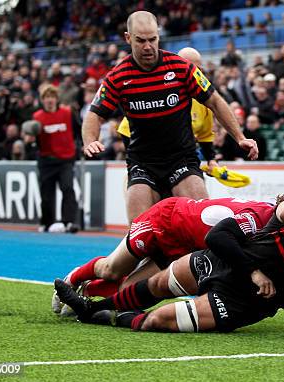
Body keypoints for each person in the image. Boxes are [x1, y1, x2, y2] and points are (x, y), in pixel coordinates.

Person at [55, 166, 284, 336]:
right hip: (229, 262)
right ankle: (94, 304)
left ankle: (97, 317)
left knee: (160, 321)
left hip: (247, 301)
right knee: (156, 284)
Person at [82, 11, 258, 224]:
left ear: (158, 36)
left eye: (152, 39)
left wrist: (240, 137)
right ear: (128, 38)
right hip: (142, 163)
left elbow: (215, 102)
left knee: (203, 223)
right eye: (140, 40)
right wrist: (90, 141)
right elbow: (95, 114)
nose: (147, 46)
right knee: (141, 234)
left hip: (181, 159)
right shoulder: (118, 76)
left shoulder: (180, 67)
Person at [52, 197, 275, 314]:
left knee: (127, 294)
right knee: (112, 270)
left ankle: (87, 291)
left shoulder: (270, 217)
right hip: (165, 220)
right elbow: (220, 242)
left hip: (185, 245)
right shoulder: (259, 220)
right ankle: (74, 278)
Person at [116, 47, 220, 173]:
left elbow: (205, 135)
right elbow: (126, 129)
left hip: (182, 159)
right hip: (149, 159)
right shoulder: (159, 90)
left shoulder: (204, 101)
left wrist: (211, 160)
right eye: (186, 67)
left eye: (197, 69)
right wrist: (136, 164)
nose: (191, 73)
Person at [33, 85, 80, 233]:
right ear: (42, 100)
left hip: (66, 159)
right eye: (46, 97)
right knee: (46, 194)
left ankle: (69, 222)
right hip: (46, 160)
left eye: (52, 97)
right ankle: (46, 223)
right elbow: (35, 139)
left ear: (56, 99)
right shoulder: (37, 117)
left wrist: (81, 145)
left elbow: (78, 129)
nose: (49, 100)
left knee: (68, 188)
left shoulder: (67, 113)